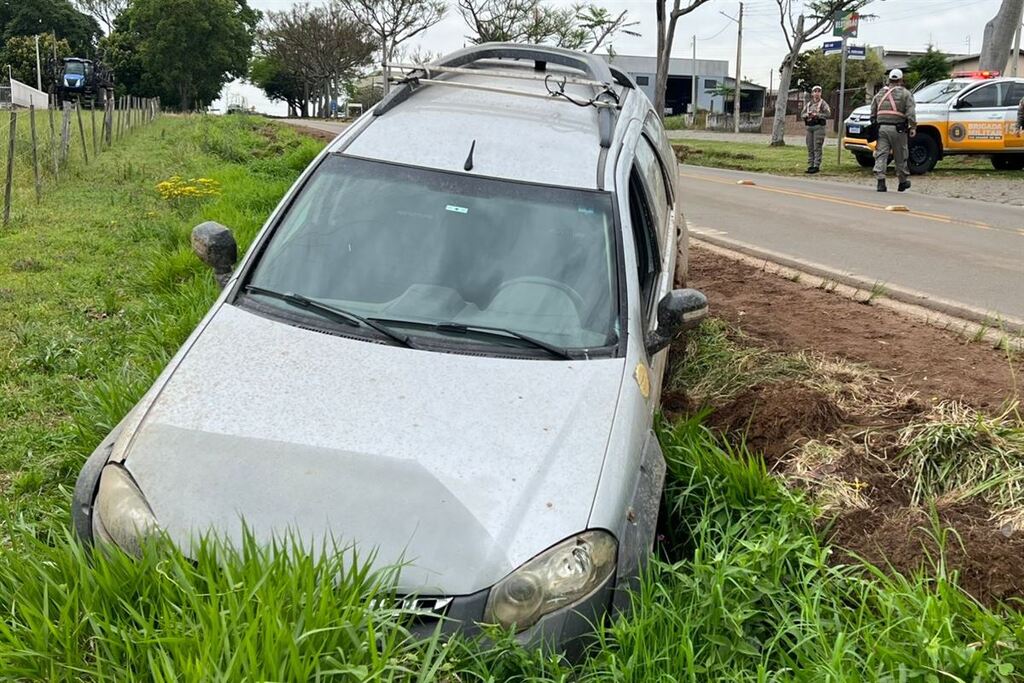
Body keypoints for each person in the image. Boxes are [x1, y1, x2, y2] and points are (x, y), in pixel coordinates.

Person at [870, 69, 917, 192]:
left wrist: (875, 123)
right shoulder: (906, 94)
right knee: (900, 156)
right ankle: (902, 182)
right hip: (898, 129)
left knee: (881, 155)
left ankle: (880, 181)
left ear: (889, 80)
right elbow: (911, 112)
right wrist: (912, 127)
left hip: (881, 129)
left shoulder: (879, 93)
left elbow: (873, 111)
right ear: (901, 80)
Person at [802, 85, 831, 174]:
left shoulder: (823, 104)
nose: (817, 93)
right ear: (812, 93)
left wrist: (817, 115)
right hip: (809, 128)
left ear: (821, 93)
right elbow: (802, 114)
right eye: (815, 91)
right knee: (810, 147)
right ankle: (810, 165)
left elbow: (828, 114)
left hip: (819, 127)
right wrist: (807, 115)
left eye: (819, 91)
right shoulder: (809, 104)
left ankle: (816, 166)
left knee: (817, 147)